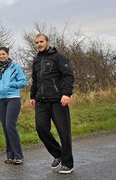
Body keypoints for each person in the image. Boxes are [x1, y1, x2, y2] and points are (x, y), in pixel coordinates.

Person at [29, 34, 75, 174]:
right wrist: (32, 96)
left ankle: (68, 163)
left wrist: (66, 93)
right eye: (37, 42)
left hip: (57, 100)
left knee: (63, 132)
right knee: (41, 129)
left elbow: (68, 75)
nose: (39, 44)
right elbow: (35, 80)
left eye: (41, 41)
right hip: (41, 101)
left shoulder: (57, 57)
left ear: (47, 42)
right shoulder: (36, 60)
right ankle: (58, 154)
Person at [0, 46, 27, 165]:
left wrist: (12, 84)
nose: (1, 56)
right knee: (4, 127)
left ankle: (18, 155)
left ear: (7, 54)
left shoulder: (15, 67)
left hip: (13, 98)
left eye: (3, 54)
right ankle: (10, 155)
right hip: (0, 99)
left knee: (10, 126)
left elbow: (23, 82)